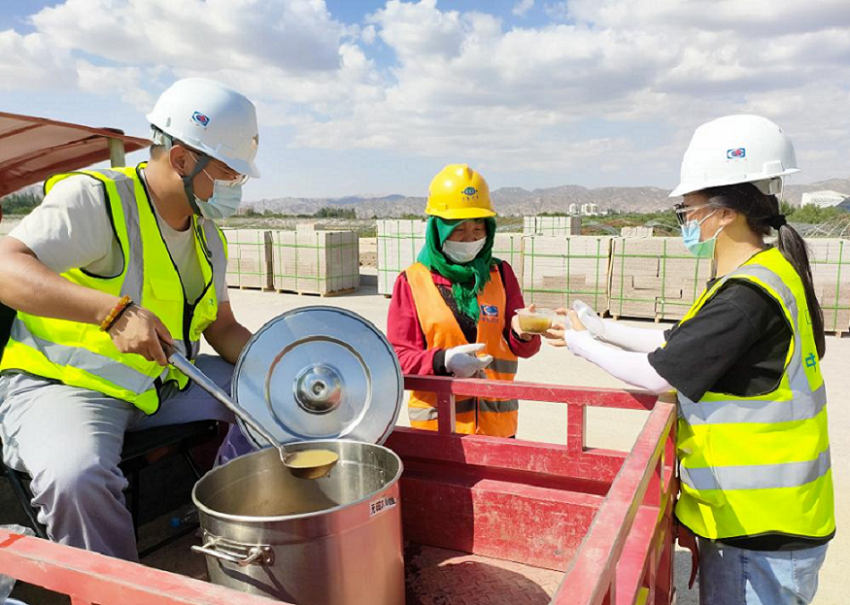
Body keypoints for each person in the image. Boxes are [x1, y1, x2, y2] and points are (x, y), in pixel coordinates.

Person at [545, 115, 834, 604]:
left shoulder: (745, 297)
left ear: (725, 213)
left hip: (759, 531)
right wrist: (598, 327)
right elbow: (678, 341)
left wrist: (581, 345)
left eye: (689, 208)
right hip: (767, 521)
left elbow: (659, 374)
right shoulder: (763, 273)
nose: (686, 220)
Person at [0, 77, 260, 561]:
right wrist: (110, 312)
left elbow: (222, 327)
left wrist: (278, 361)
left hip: (161, 383)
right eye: (228, 173)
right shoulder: (97, 201)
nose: (234, 188)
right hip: (67, 386)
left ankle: (226, 518)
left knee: (274, 400)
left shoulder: (207, 237)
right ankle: (115, 590)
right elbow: (5, 266)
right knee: (77, 477)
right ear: (182, 160)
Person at [387, 164, 540, 437]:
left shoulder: (500, 274)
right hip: (439, 430)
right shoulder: (412, 281)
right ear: (439, 230)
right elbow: (396, 357)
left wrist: (524, 334)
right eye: (458, 230)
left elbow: (523, 349)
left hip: (497, 428)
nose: (470, 238)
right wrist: (443, 361)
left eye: (478, 228)